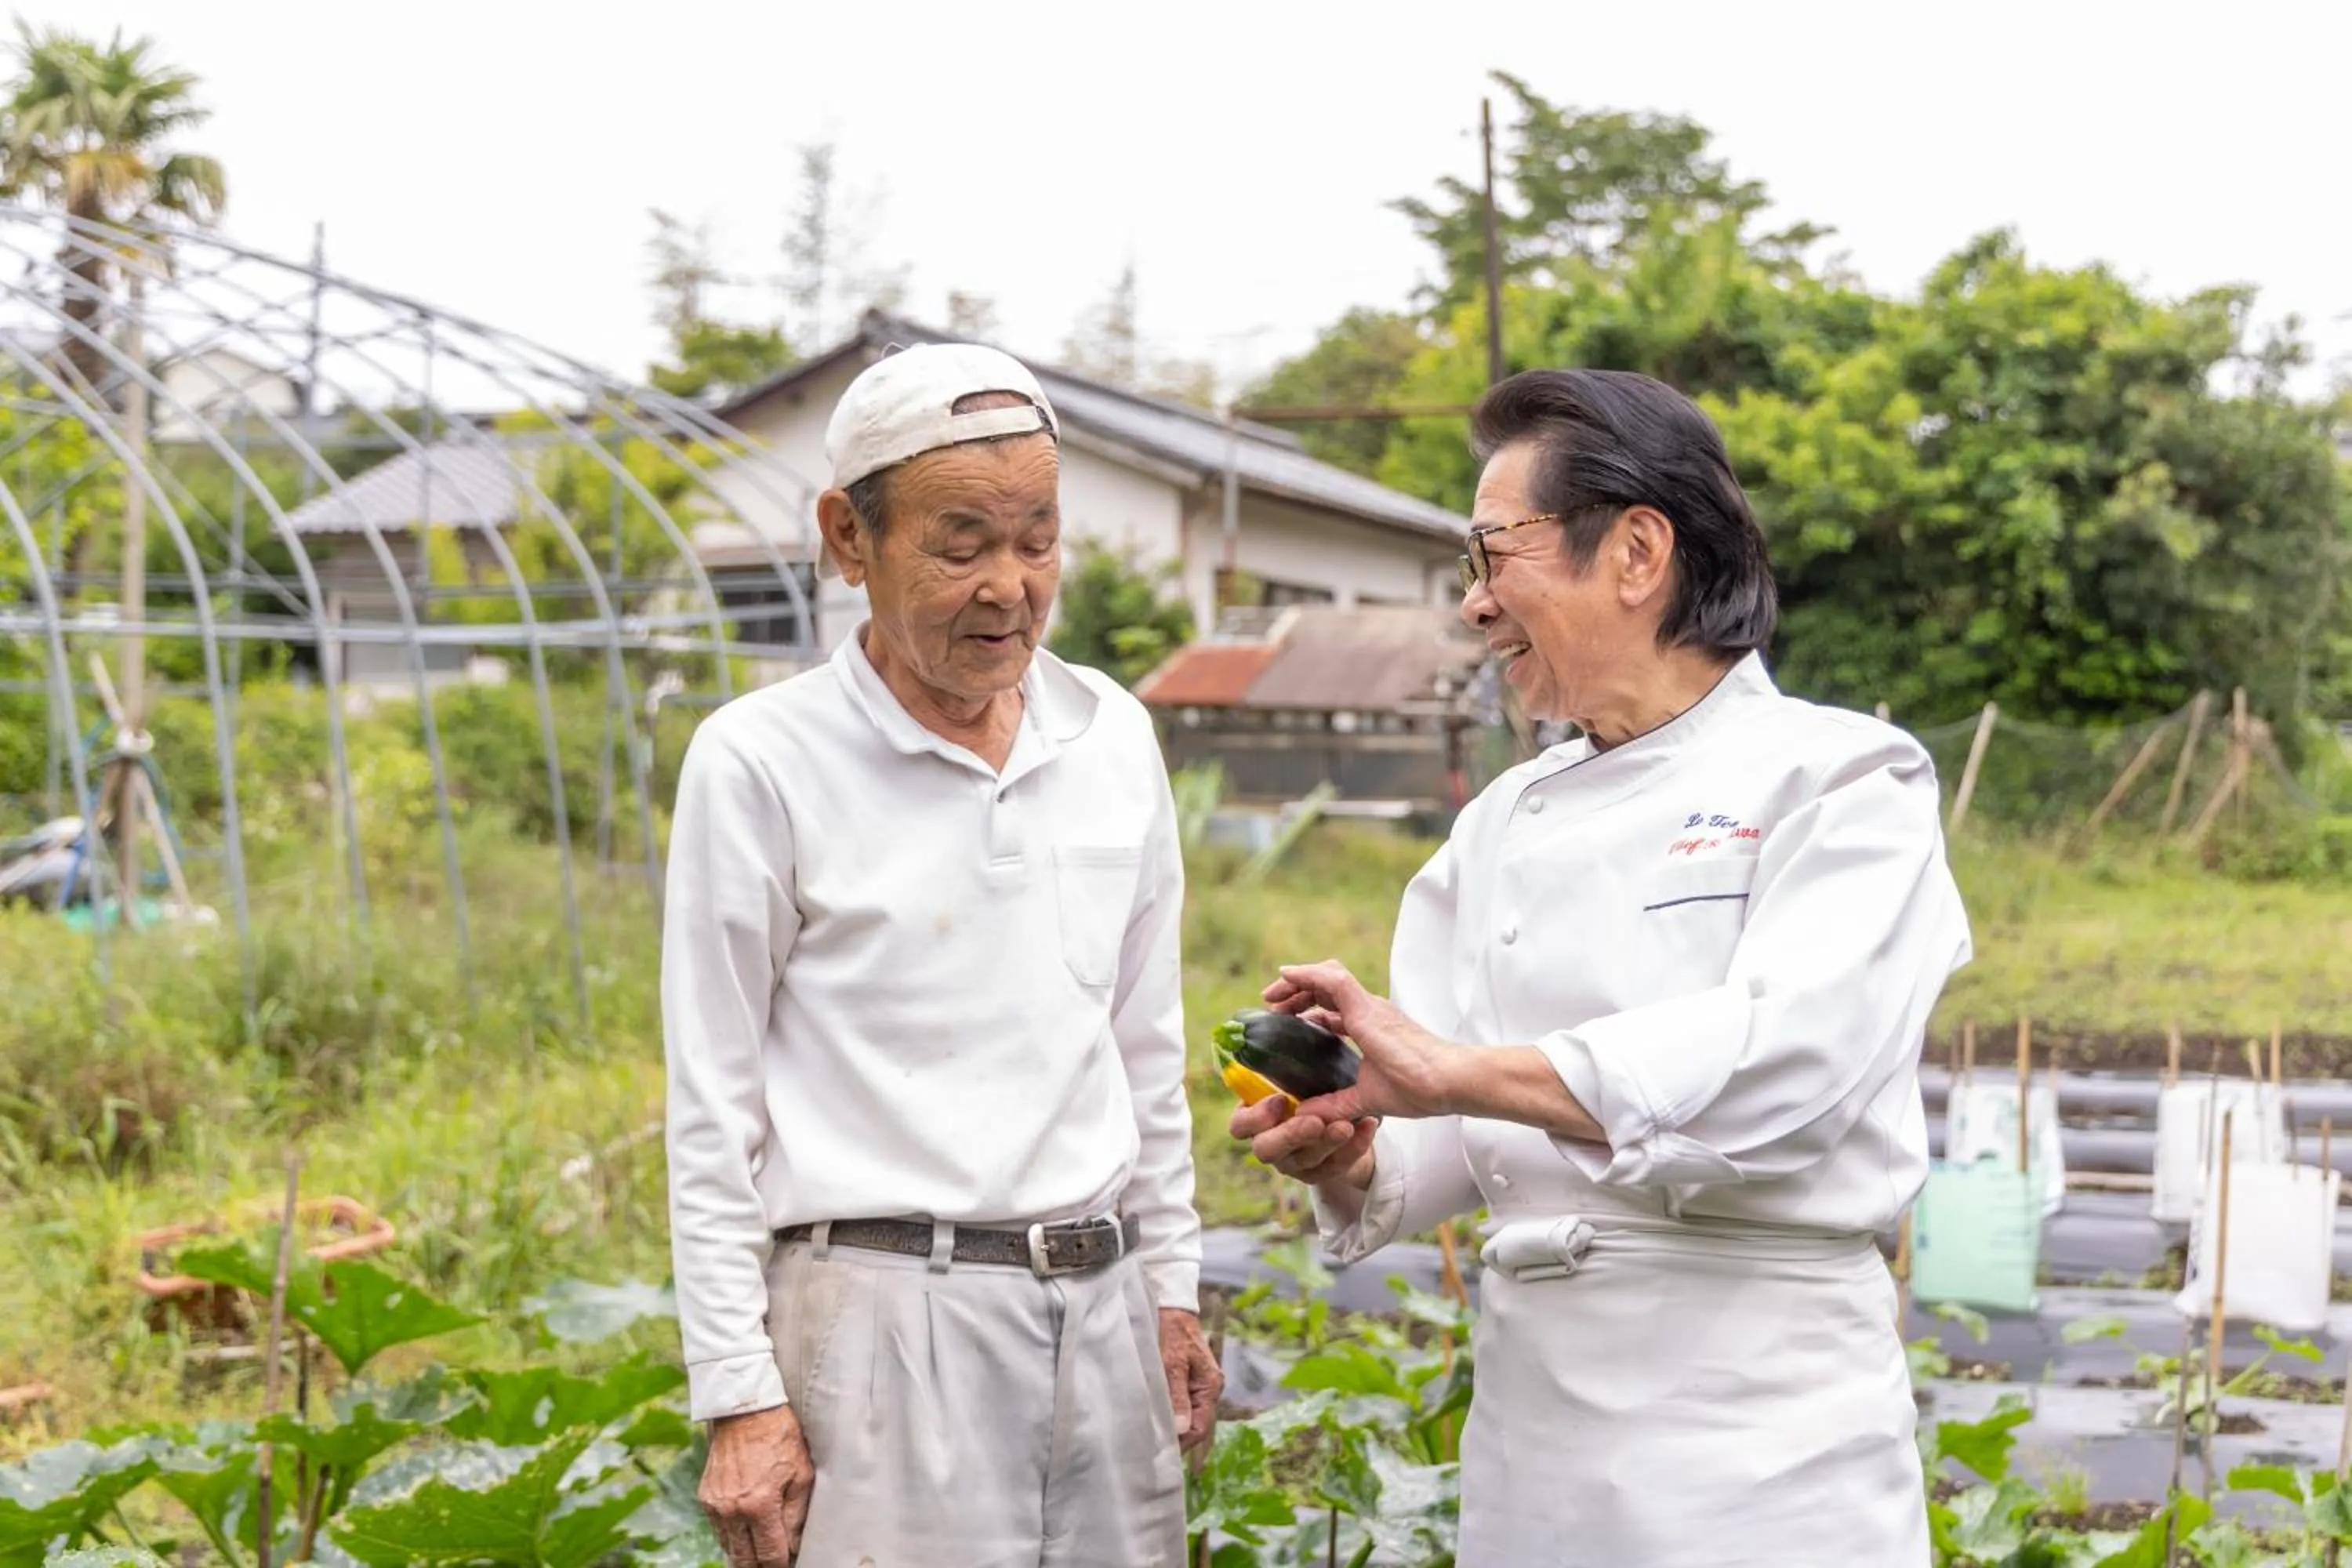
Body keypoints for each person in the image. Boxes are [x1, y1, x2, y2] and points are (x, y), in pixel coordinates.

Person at [1233, 368, 1970, 1566]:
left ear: (1636, 553)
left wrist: (1454, 1070)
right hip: (1537, 1437)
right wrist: (1354, 1143)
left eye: (1493, 557)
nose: (1474, 608)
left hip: (1764, 1433)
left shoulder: (1843, 780)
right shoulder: (1499, 822)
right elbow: (1447, 1139)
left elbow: (1795, 1065)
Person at [664, 341, 1220, 1568]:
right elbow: (712, 1102)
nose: (1009, 587)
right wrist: (739, 1394)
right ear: (848, 540)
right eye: (960, 545)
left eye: (1037, 541)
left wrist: (1171, 1288)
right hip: (879, 1319)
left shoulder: (1112, 738)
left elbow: (1143, 1044)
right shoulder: (762, 760)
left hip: (1103, 1303)